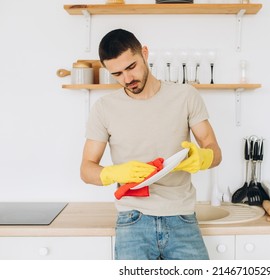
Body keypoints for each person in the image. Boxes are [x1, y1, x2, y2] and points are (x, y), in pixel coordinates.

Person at [80, 29, 222, 260]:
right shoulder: (104, 108)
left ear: (144, 53)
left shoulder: (186, 95)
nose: (127, 79)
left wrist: (204, 157)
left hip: (182, 216)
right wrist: (114, 172)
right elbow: (86, 170)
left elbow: (214, 149)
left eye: (131, 67)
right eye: (117, 74)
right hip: (132, 219)